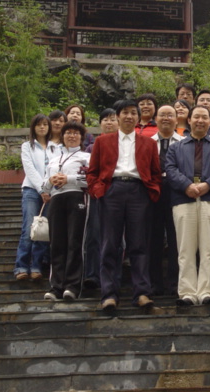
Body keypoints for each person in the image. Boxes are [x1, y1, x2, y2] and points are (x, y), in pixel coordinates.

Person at [87, 100, 162, 313]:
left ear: (138, 118)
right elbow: (92, 172)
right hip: (112, 191)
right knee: (110, 244)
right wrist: (99, 190)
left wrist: (152, 191)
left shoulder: (149, 143)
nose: (129, 116)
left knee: (139, 244)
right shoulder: (103, 141)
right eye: (125, 113)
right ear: (117, 117)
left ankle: (142, 293)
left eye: (133, 113)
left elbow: (155, 172)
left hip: (139, 192)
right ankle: (109, 294)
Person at [166, 105, 210, 305]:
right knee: (185, 249)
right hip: (184, 199)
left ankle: (207, 291)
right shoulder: (176, 147)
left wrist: (207, 184)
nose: (200, 121)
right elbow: (170, 169)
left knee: (208, 248)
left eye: (204, 117)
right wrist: (186, 185)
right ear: (189, 120)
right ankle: (187, 292)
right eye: (196, 117)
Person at [42, 121, 91, 301]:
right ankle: (56, 286)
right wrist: (50, 181)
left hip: (77, 197)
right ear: (62, 136)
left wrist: (68, 179)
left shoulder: (86, 157)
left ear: (81, 137)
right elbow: (43, 185)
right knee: (56, 244)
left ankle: (72, 286)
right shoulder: (54, 159)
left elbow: (91, 179)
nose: (72, 136)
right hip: (56, 199)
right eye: (68, 132)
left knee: (74, 242)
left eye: (76, 133)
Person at [149, 104, 184, 296]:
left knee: (176, 238)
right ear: (155, 119)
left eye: (170, 115)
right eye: (162, 115)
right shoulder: (147, 143)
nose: (166, 118)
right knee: (153, 238)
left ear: (177, 120)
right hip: (153, 192)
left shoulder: (184, 143)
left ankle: (175, 283)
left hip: (177, 191)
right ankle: (154, 283)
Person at [83, 108, 118, 290]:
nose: (109, 122)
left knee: (117, 237)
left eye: (112, 119)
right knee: (94, 235)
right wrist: (96, 189)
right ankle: (92, 274)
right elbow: (91, 171)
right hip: (99, 195)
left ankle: (114, 276)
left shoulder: (125, 144)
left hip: (119, 194)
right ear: (100, 124)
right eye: (105, 120)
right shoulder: (92, 146)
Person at [14, 113, 52, 282]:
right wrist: (42, 188)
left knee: (43, 229)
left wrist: (47, 189)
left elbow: (55, 169)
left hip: (50, 192)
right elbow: (29, 168)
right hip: (31, 190)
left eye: (45, 124)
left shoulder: (55, 147)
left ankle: (36, 266)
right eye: (39, 124)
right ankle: (21, 266)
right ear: (33, 127)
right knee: (28, 227)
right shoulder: (27, 146)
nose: (42, 127)